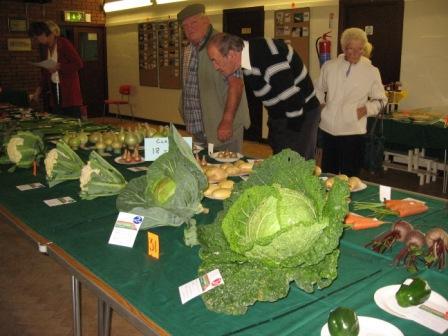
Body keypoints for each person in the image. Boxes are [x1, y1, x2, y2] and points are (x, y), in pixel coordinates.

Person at [207, 33, 321, 159]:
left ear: (231, 54)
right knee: (281, 162)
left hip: (301, 114)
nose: (215, 67)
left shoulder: (267, 56)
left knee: (295, 166)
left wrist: (290, 141)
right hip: (284, 114)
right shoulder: (246, 58)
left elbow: (294, 101)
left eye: (215, 61)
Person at [177, 4, 250, 153]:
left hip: (222, 128)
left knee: (226, 170)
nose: (189, 28)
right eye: (185, 26)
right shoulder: (188, 50)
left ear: (207, 21)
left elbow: (236, 84)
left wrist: (227, 121)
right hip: (198, 128)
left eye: (194, 23)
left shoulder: (221, 44)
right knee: (202, 170)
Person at [315, 28, 387, 177]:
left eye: (360, 49)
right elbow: (318, 89)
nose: (356, 53)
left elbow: (381, 100)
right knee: (328, 175)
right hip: (328, 130)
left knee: (350, 177)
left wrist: (365, 110)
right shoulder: (329, 66)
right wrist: (321, 106)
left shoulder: (371, 71)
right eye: (351, 49)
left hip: (353, 131)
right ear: (343, 48)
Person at [28, 21, 83, 118]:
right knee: (58, 119)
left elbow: (78, 64)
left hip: (68, 91)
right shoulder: (45, 48)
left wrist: (59, 66)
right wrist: (37, 92)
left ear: (46, 33)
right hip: (54, 89)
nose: (38, 40)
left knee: (72, 120)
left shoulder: (63, 43)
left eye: (38, 37)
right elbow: (45, 74)